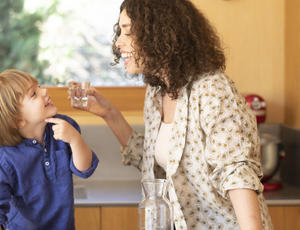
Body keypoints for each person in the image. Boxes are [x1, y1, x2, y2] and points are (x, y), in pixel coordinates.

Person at [74, 0, 273, 229]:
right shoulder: (157, 93)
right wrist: (109, 114)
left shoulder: (211, 89)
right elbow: (155, 160)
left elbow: (237, 174)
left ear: (159, 34)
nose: (119, 42)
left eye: (128, 32)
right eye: (120, 32)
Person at [0, 69, 99, 230]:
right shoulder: (5, 158)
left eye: (38, 86)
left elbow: (85, 169)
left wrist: (75, 139)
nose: (44, 91)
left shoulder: (64, 126)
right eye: (33, 93)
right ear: (17, 120)